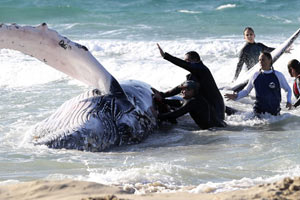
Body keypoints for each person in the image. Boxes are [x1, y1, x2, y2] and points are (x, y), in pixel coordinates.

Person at [156, 43, 226, 127]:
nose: (186, 64)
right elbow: (181, 87)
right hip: (207, 104)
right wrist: (163, 96)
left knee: (214, 123)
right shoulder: (195, 74)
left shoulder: (202, 69)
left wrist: (165, 56)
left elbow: (184, 66)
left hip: (215, 106)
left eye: (187, 61)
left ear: (196, 60)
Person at [225, 52, 292, 116]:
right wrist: (237, 96)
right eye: (259, 60)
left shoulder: (278, 75)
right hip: (259, 113)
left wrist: (289, 101)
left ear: (270, 60)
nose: (260, 62)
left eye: (263, 60)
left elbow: (288, 89)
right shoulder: (255, 75)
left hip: (274, 114)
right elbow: (246, 91)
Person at [155, 80, 223, 129]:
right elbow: (180, 103)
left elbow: (177, 114)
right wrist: (163, 100)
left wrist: (158, 116)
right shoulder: (196, 98)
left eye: (187, 89)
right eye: (183, 89)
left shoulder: (194, 101)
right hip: (217, 126)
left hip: (216, 129)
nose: (183, 91)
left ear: (194, 91)